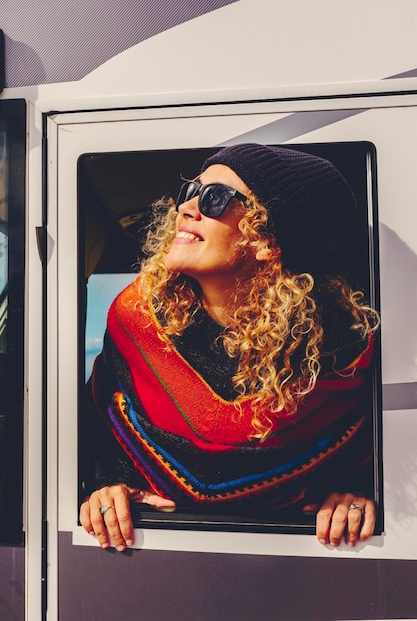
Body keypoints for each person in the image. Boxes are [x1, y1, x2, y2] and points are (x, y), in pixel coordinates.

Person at [80, 143, 379, 553]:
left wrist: (354, 492)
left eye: (215, 198)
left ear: (267, 240)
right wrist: (106, 484)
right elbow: (97, 422)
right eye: (190, 192)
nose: (185, 208)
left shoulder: (339, 351)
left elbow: (364, 450)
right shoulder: (137, 321)